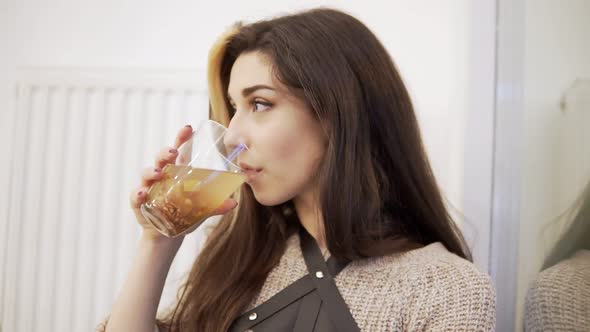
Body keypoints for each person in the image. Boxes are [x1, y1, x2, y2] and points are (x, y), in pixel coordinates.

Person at [102, 8, 496, 332]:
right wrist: (157, 243)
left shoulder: (445, 288)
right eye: (234, 107)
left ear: (337, 114)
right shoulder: (241, 257)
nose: (233, 134)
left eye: (259, 103)